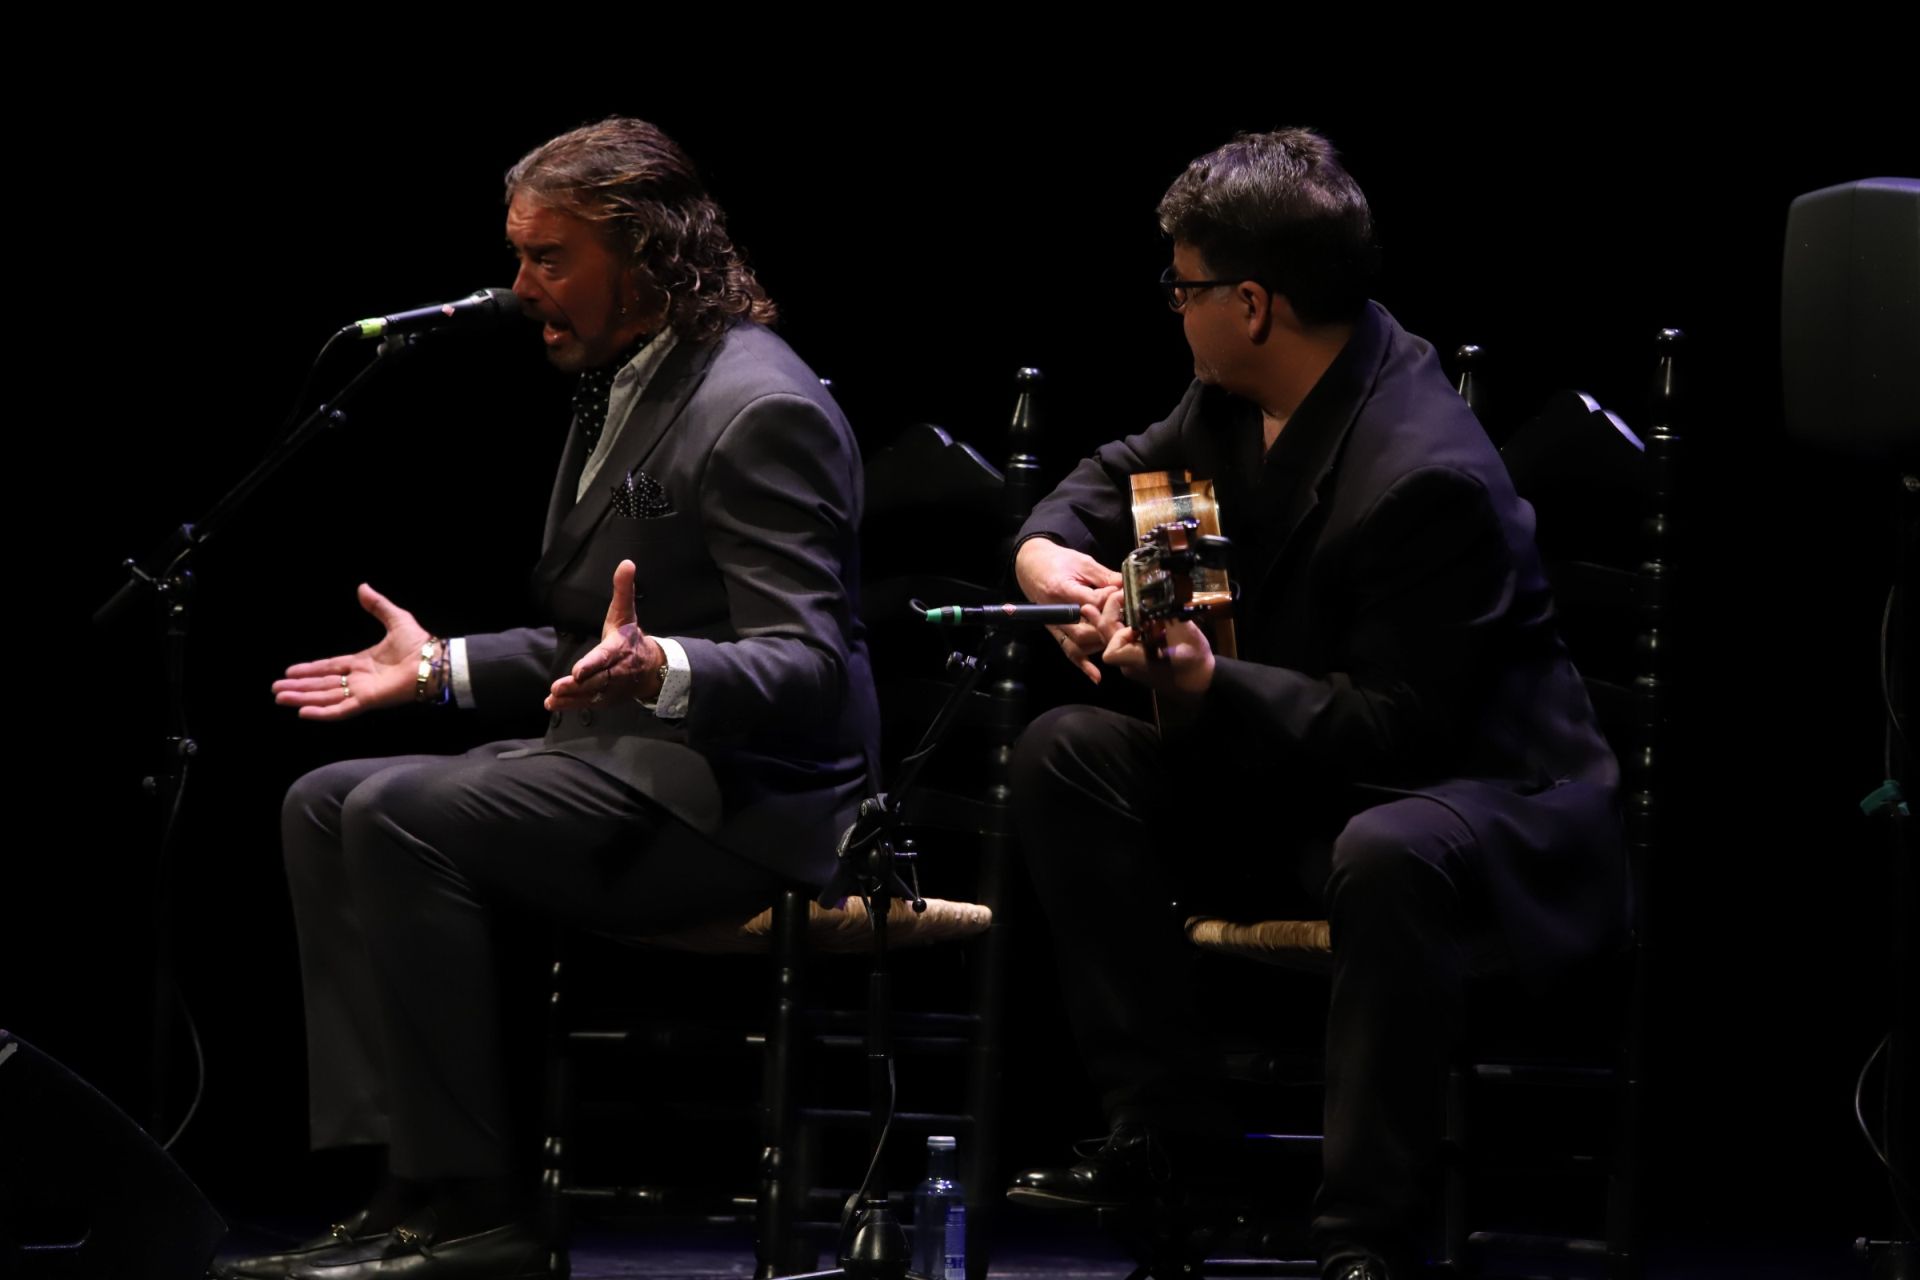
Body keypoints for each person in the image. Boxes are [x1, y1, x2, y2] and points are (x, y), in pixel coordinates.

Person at [218, 117, 877, 1280]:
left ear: (651, 252)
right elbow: (591, 638)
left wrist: (668, 668)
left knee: (396, 811)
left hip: (745, 802)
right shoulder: (628, 379)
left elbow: (809, 663)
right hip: (623, 765)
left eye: (549, 258)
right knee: (323, 798)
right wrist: (437, 668)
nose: (521, 289)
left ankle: (479, 1207)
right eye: (519, 257)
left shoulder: (757, 406)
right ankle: (404, 1182)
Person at [1004, 129, 1625, 1280]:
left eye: (1182, 288)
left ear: (1252, 302)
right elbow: (1099, 481)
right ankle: (1174, 1146)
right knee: (1066, 751)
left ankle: (1363, 1233)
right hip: (1307, 786)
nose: (1172, 310)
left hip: (1476, 800)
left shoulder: (1422, 467)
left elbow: (1405, 730)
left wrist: (1203, 678)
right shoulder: (1235, 395)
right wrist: (1046, 555)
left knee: (1387, 849)